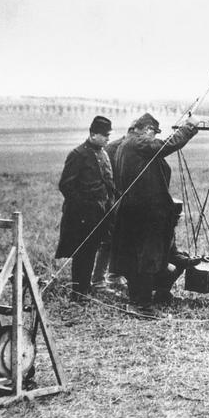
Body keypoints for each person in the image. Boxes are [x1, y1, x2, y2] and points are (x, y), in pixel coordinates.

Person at [111, 112, 199, 316]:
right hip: (146, 213)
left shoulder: (124, 145)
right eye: (153, 132)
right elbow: (166, 146)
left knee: (136, 257)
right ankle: (144, 306)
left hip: (131, 210)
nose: (153, 136)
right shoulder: (139, 143)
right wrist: (189, 127)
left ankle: (136, 300)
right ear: (147, 129)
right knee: (149, 257)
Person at [55, 115, 115, 298]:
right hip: (81, 215)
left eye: (108, 135)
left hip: (99, 213)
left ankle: (85, 287)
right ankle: (78, 292)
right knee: (81, 252)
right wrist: (83, 207)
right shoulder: (78, 154)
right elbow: (65, 185)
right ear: (93, 134)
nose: (107, 138)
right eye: (104, 135)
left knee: (92, 249)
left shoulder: (103, 153)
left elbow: (107, 182)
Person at [90, 121, 136, 291]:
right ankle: (98, 280)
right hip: (112, 200)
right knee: (107, 240)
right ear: (132, 132)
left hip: (126, 199)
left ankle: (115, 274)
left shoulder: (133, 147)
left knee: (123, 238)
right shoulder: (114, 148)